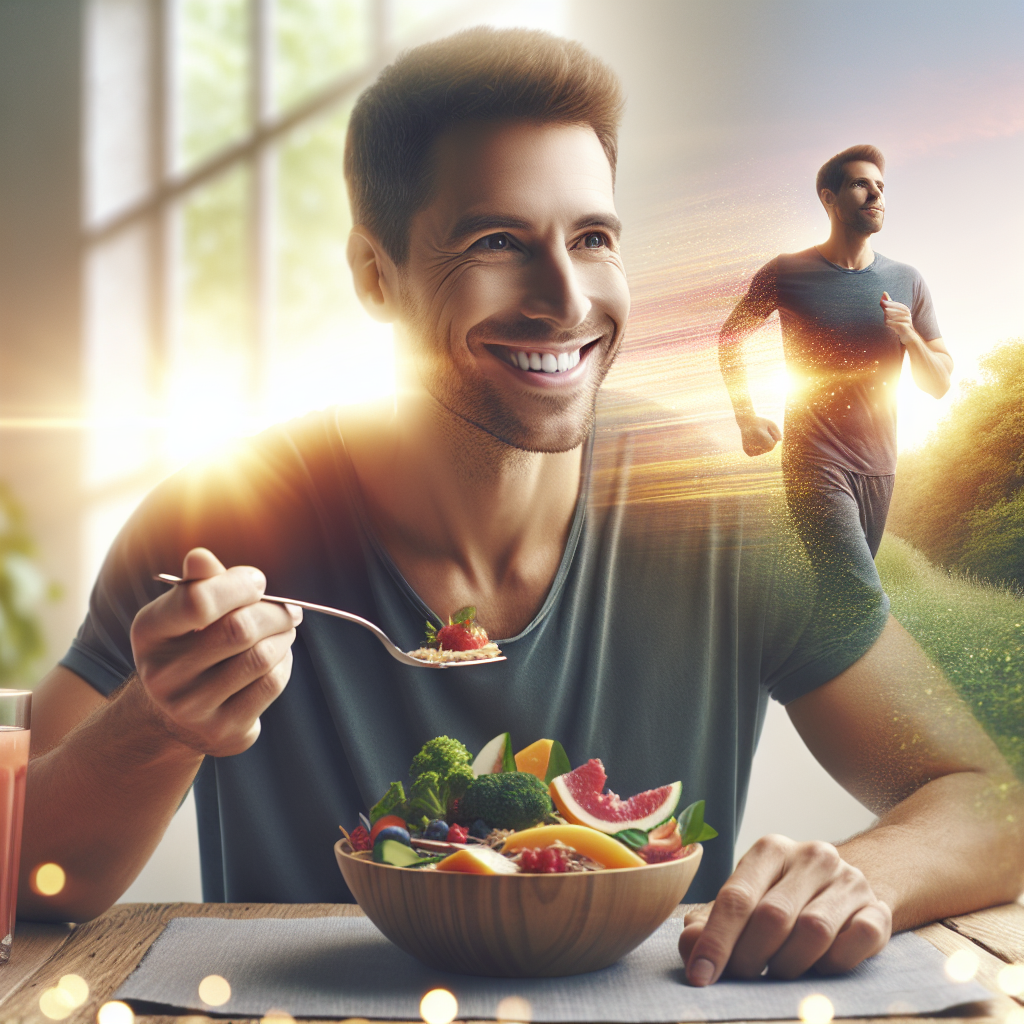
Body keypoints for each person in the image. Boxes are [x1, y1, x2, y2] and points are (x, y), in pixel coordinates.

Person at [22, 32, 1021, 989]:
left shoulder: (726, 509)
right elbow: (32, 876)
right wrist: (155, 725)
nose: (566, 297)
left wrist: (868, 875)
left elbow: (990, 801)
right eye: (498, 240)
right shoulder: (217, 517)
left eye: (592, 237)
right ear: (376, 274)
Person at [718, 145, 953, 589]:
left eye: (881, 186)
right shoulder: (786, 272)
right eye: (861, 184)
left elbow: (938, 384)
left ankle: (792, 653)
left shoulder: (909, 281)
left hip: (880, 465)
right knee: (860, 593)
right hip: (814, 460)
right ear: (829, 199)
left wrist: (910, 336)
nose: (875, 195)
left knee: (838, 596)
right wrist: (745, 417)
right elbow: (730, 339)